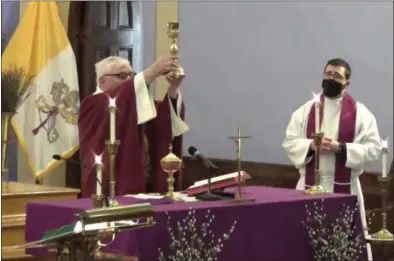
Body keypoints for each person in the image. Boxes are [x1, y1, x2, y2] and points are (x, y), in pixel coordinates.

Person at [282, 58, 381, 232]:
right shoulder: (305, 111)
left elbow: (373, 149)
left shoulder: (361, 114)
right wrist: (311, 145)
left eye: (336, 76)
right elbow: (290, 142)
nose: (331, 79)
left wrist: (341, 148)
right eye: (328, 74)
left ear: (346, 83)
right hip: (308, 187)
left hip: (346, 188)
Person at [78, 56, 189, 197]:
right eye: (122, 76)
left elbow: (163, 120)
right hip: (110, 185)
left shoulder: (138, 107)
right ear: (102, 81)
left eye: (132, 75)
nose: (129, 80)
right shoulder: (93, 104)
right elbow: (121, 95)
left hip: (145, 185)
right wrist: (152, 72)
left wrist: (173, 88)